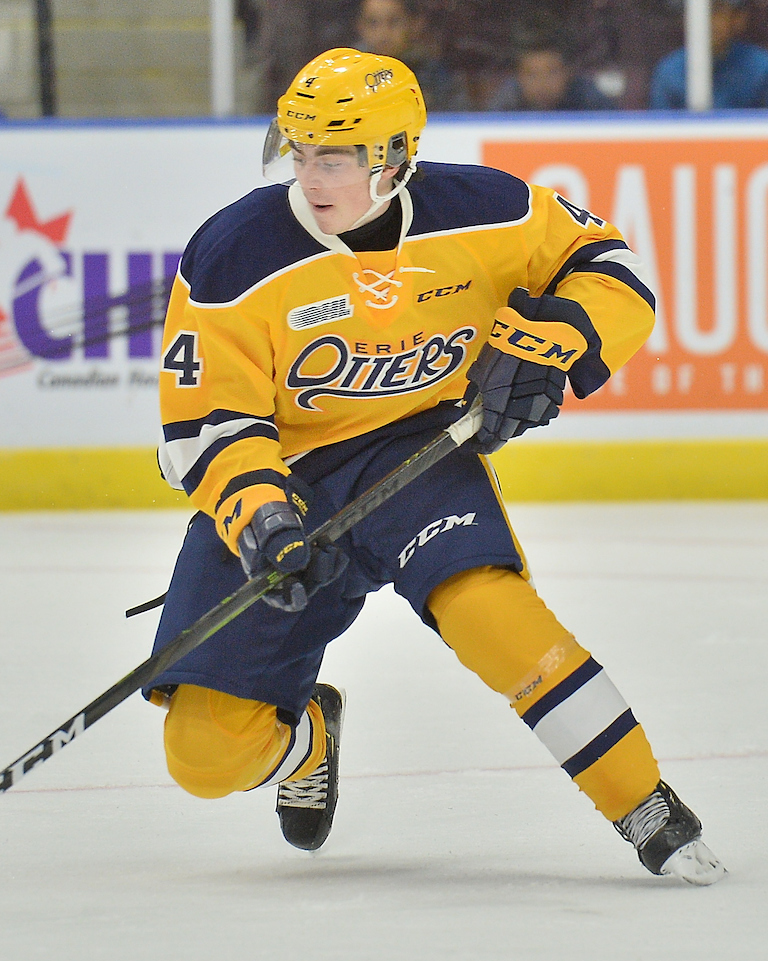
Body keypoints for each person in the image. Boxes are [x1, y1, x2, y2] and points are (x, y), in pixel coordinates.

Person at [143, 47, 725, 884]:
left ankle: (646, 805)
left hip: (417, 455)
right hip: (287, 477)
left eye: (334, 156)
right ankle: (308, 734)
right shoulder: (235, 252)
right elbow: (208, 422)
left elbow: (612, 268)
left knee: (491, 612)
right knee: (202, 758)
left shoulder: (488, 209)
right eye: (299, 150)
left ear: (394, 158)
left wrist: (557, 340)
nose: (309, 175)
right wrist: (261, 516)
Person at [649, 0, 768, 108]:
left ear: (737, 18)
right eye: (695, 11)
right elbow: (660, 127)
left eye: (716, 10)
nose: (705, 19)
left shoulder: (760, 68)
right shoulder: (669, 71)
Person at [356, 0, 469, 111]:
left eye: (394, 21)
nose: (383, 33)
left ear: (414, 24)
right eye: (372, 22)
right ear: (360, 26)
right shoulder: (353, 71)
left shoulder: (435, 75)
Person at [488, 32, 617, 111]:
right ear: (519, 76)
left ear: (568, 72)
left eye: (552, 72)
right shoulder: (506, 104)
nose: (542, 84)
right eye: (532, 74)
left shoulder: (591, 101)